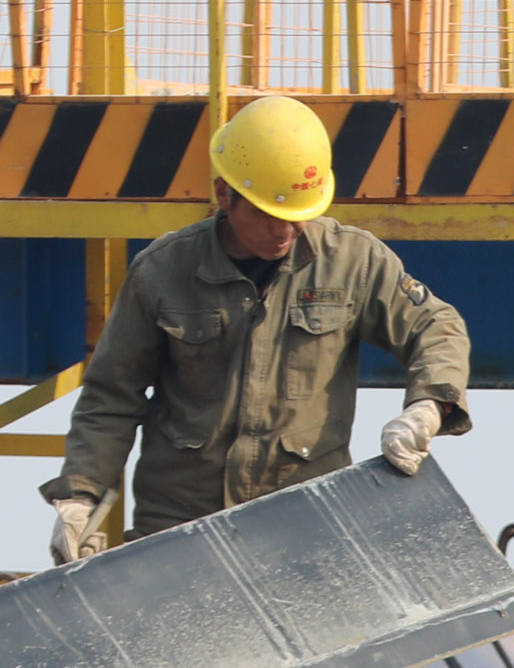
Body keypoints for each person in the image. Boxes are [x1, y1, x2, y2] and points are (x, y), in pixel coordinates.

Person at [41, 91, 473, 560]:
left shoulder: (352, 262)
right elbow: (112, 396)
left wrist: (428, 405)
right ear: (225, 195)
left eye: (298, 216)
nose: (285, 232)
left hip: (306, 526)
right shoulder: (162, 273)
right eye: (270, 214)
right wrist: (81, 496)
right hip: (180, 531)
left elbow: (434, 325)